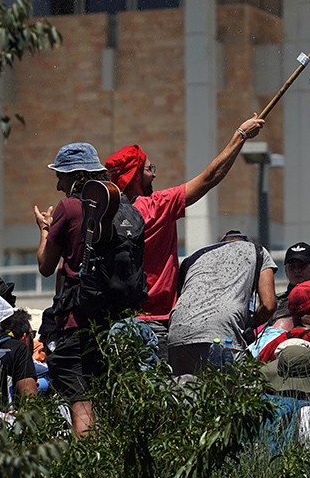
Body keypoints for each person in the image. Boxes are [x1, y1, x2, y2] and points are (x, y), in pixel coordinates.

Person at [105, 113, 264, 361]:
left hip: (116, 324)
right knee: (159, 396)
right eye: (149, 169)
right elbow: (211, 177)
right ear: (135, 176)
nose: (154, 175)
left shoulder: (107, 216)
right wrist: (240, 135)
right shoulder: (157, 206)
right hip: (156, 324)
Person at [33, 142, 110, 439]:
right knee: (105, 400)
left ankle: (88, 470)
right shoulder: (113, 206)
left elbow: (45, 266)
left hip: (76, 322)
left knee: (81, 404)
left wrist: (44, 231)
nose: (57, 185)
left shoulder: (69, 207)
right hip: (108, 319)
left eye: (61, 177)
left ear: (77, 176)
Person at [167, 230, 276, 375]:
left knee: (186, 393)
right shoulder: (257, 251)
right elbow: (269, 305)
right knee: (230, 392)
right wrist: (250, 325)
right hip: (222, 333)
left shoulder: (194, 257)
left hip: (177, 332)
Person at [268, 242, 310, 329]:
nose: (296, 270)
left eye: (302, 266)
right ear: (285, 270)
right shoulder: (275, 303)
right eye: (292, 266)